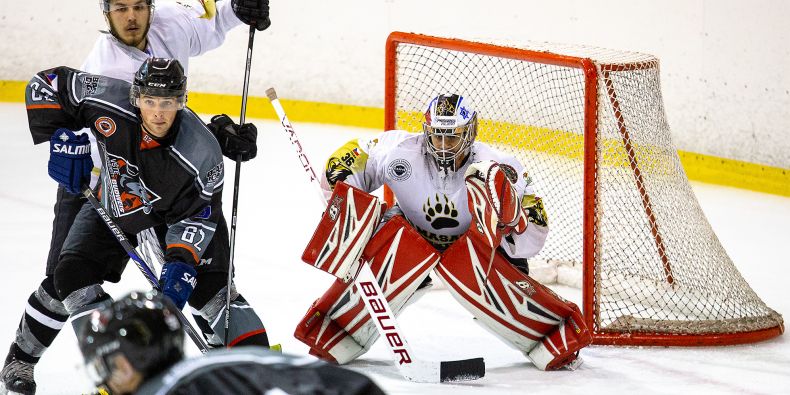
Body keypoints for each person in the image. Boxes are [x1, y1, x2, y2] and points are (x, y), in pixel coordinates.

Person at [1, 1, 270, 393]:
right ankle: (31, 361)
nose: (131, 17)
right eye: (121, 8)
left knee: (211, 287)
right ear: (106, 12)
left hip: (174, 187)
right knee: (66, 277)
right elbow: (51, 89)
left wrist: (238, 6)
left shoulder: (174, 27)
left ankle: (244, 363)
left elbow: (207, 36)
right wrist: (64, 140)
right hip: (101, 173)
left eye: (139, 6)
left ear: (151, 7)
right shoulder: (105, 74)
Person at [294, 94, 592, 371]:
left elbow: (533, 237)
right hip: (412, 235)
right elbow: (352, 158)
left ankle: (551, 332)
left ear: (470, 133)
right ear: (427, 131)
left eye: (453, 136)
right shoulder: (399, 150)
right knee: (394, 241)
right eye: (438, 135)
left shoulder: (498, 167)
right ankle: (337, 330)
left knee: (474, 259)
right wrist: (340, 196)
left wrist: (514, 221)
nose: (444, 144)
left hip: (475, 243)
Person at [78, 290, 384, 395]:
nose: (106, 380)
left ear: (138, 358)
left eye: (109, 365)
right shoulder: (204, 371)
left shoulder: (174, 388)